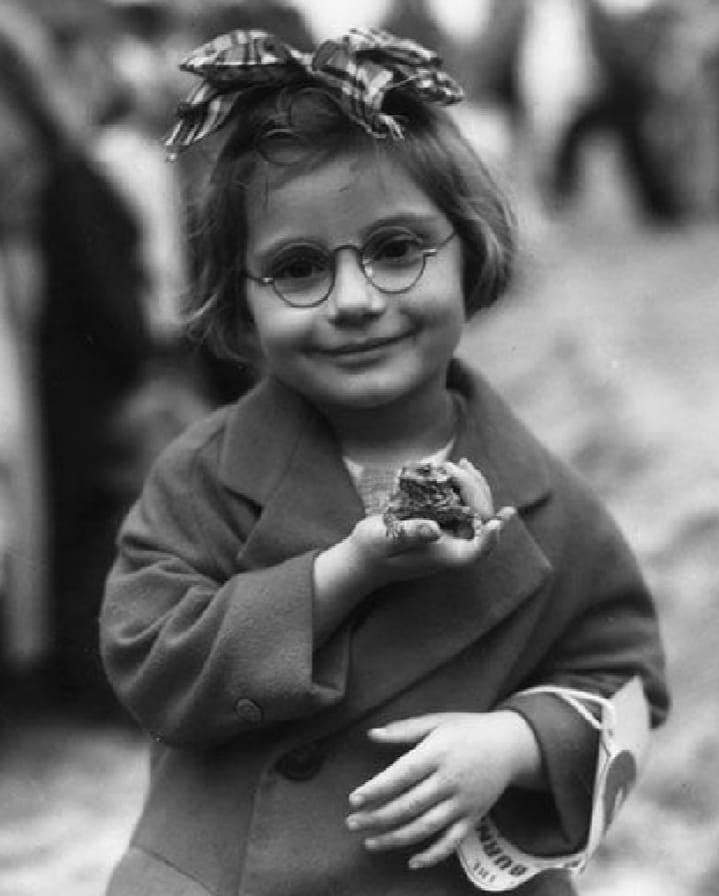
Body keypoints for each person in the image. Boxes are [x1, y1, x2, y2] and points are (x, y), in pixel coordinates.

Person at [100, 27, 670, 896]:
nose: (357, 301)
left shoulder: (549, 501)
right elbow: (150, 662)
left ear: (469, 248)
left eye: (397, 250)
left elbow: (624, 681)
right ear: (240, 304)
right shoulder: (205, 475)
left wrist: (514, 743)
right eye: (296, 268)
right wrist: (343, 572)